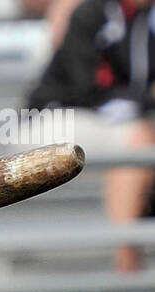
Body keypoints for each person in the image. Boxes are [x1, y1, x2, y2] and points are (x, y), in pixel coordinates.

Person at [27, 0, 155, 271]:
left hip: (99, 119)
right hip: (53, 117)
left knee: (139, 138)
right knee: (137, 141)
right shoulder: (92, 12)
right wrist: (145, 102)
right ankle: (126, 264)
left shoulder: (143, 20)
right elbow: (84, 89)